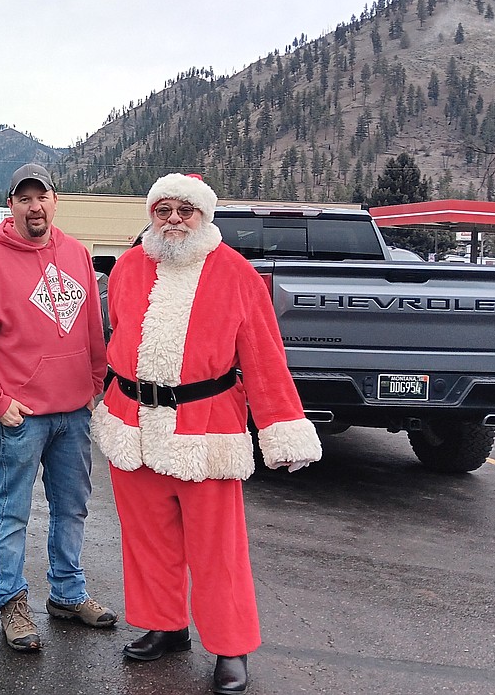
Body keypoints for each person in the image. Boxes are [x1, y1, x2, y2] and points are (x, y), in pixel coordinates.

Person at [93, 172, 322, 695]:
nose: (174, 220)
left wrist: (280, 430)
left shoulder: (236, 274)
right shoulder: (128, 266)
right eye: (163, 209)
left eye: (185, 210)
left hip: (207, 432)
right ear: (151, 214)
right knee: (147, 540)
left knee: (218, 550)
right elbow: (117, 334)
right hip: (132, 426)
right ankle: (165, 627)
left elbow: (264, 358)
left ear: (204, 214)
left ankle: (230, 645)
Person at [0, 163, 116, 652]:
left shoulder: (76, 255)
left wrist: (93, 381)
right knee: (12, 510)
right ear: (12, 205)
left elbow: (91, 324)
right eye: (23, 199)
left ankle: (67, 593)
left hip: (73, 413)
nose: (34, 207)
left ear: (54, 199)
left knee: (72, 507)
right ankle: (12, 602)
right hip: (19, 418)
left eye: (40, 196)